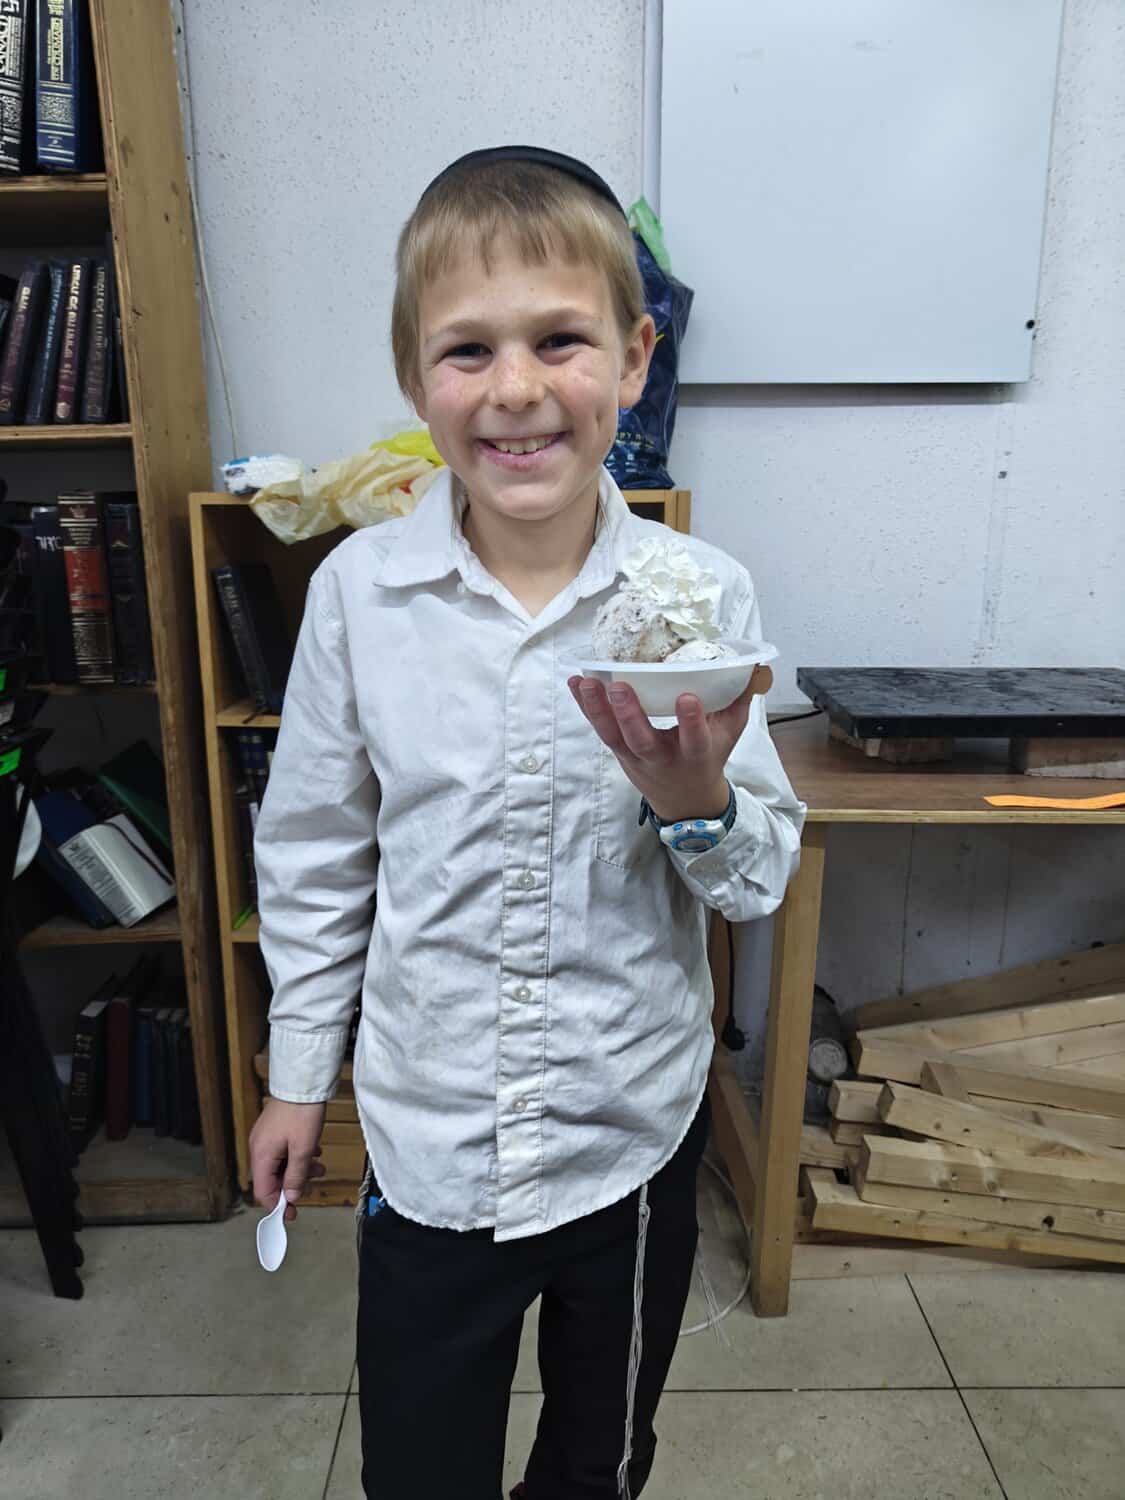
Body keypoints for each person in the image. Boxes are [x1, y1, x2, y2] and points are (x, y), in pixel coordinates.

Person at [249, 145, 806, 1500]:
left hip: (627, 1127)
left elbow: (758, 883)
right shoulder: (359, 598)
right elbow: (316, 854)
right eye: (466, 350)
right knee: (419, 1467)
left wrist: (694, 802)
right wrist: (295, 1075)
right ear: (413, 377)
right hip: (430, 1134)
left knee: (596, 1463)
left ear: (633, 358)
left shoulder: (699, 596)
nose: (513, 388)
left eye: (559, 340)